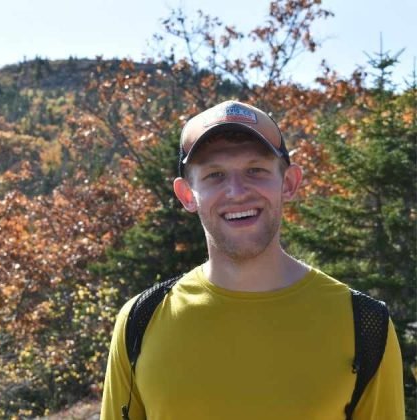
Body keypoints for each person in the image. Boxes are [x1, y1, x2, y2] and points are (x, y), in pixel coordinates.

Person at [100, 100, 405, 419]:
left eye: (255, 170)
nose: (237, 191)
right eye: (214, 174)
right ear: (187, 195)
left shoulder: (364, 324)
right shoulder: (140, 321)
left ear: (288, 183)